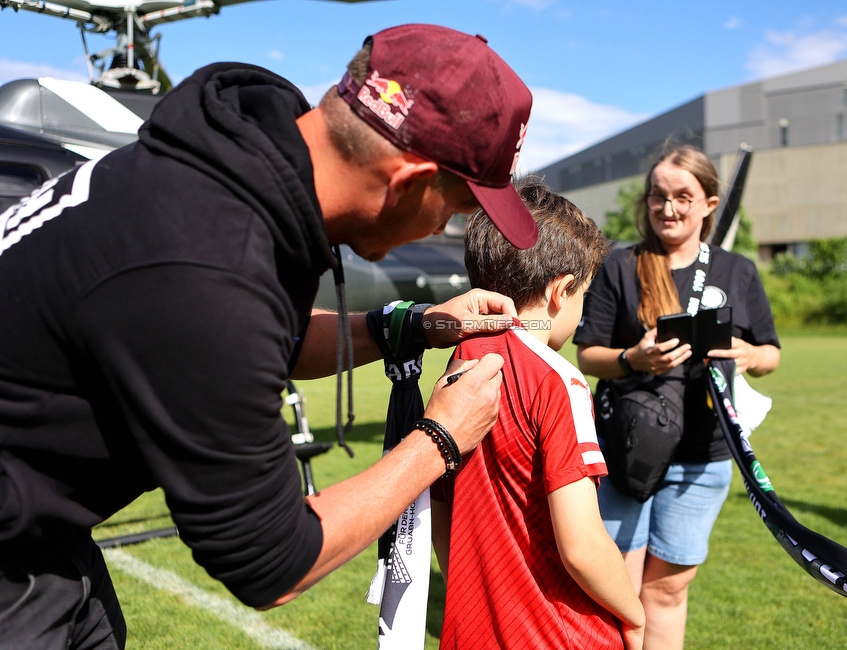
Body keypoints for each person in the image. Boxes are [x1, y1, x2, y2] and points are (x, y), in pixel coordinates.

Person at [0, 24, 537, 649]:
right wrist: (441, 438)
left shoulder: (236, 172)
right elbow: (274, 561)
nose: (445, 225)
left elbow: (260, 342)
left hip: (45, 540)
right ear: (408, 180)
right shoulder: (202, 261)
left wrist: (412, 325)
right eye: (455, 208)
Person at [574, 144, 781, 650]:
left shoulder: (737, 271)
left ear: (710, 203)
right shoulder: (620, 266)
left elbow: (772, 353)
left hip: (703, 456)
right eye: (658, 197)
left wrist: (745, 355)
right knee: (617, 586)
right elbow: (586, 355)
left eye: (683, 197)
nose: (668, 209)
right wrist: (632, 359)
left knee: (666, 589)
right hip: (628, 450)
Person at [430, 178, 645, 650]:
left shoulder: (460, 364)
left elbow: (442, 511)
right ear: (561, 290)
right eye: (583, 295)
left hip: (474, 629)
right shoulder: (559, 381)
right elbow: (582, 546)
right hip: (556, 632)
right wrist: (634, 612)